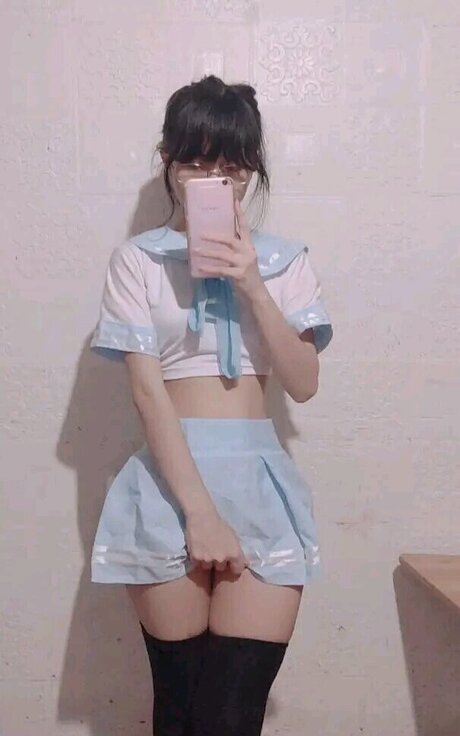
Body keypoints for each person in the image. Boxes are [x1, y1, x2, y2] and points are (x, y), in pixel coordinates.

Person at [90, 75, 333, 736]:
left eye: (233, 167)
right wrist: (199, 514)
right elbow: (147, 395)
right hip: (168, 487)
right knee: (180, 711)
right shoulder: (137, 262)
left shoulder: (286, 262)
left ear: (252, 170)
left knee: (232, 717)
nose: (216, 180)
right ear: (168, 160)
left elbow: (303, 382)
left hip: (260, 484)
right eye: (197, 162)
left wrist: (252, 283)